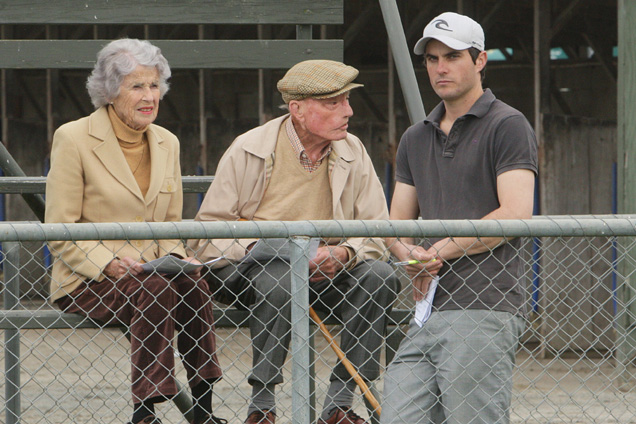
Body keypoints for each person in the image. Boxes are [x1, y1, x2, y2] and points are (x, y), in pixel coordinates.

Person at [188, 59, 399, 424]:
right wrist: (270, 249)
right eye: (334, 103)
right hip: (250, 270)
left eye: (346, 101)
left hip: (326, 270)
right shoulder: (249, 148)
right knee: (280, 276)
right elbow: (208, 234)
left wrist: (344, 252)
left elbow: (376, 227)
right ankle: (263, 405)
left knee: (380, 275)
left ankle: (339, 404)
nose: (348, 111)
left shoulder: (354, 150)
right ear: (297, 109)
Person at [45, 39, 225, 424]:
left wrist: (179, 257)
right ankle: (144, 413)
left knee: (193, 282)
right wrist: (108, 263)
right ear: (111, 92)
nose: (150, 97)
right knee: (157, 286)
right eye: (137, 86)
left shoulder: (168, 142)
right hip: (89, 281)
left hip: (152, 276)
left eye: (154, 85)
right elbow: (59, 229)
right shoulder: (73, 138)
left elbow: (172, 226)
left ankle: (204, 410)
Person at [380, 12, 538, 424]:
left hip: (484, 303)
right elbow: (394, 223)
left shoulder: (508, 125)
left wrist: (439, 252)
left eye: (452, 56)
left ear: (480, 60)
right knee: (400, 415)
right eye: (432, 59)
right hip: (425, 308)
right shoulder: (416, 137)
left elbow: (516, 214)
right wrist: (410, 254)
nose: (440, 67)